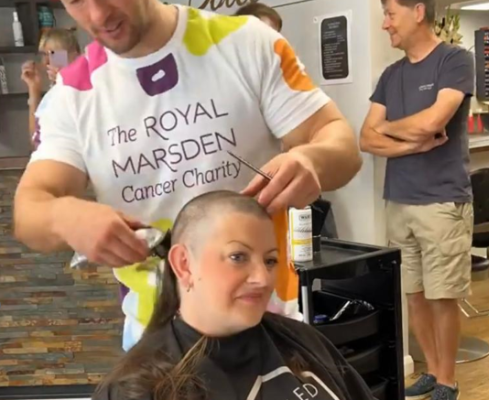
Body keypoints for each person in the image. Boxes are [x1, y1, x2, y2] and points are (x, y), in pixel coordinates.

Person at [13, 0, 362, 351]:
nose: (99, 14)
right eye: (76, 1)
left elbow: (341, 144)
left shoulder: (246, 43)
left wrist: (312, 159)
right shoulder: (72, 95)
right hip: (155, 344)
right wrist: (67, 217)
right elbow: (29, 210)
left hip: (270, 327)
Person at [92, 191, 375, 400]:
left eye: (270, 260)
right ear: (184, 264)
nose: (262, 278)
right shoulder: (136, 388)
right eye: (238, 257)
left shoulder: (301, 340)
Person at [360, 1, 474, 399]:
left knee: (444, 294)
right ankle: (429, 368)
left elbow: (432, 122)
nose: (384, 24)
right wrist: (410, 144)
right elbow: (365, 138)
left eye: (391, 13)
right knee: (414, 292)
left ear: (418, 11)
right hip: (399, 199)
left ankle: (446, 379)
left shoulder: (454, 60)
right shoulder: (391, 76)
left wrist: (391, 129)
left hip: (442, 201)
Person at [20, 28, 81, 149]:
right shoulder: (53, 94)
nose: (47, 61)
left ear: (75, 56)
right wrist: (34, 89)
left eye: (54, 54)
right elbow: (37, 139)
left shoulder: (82, 91)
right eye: (44, 55)